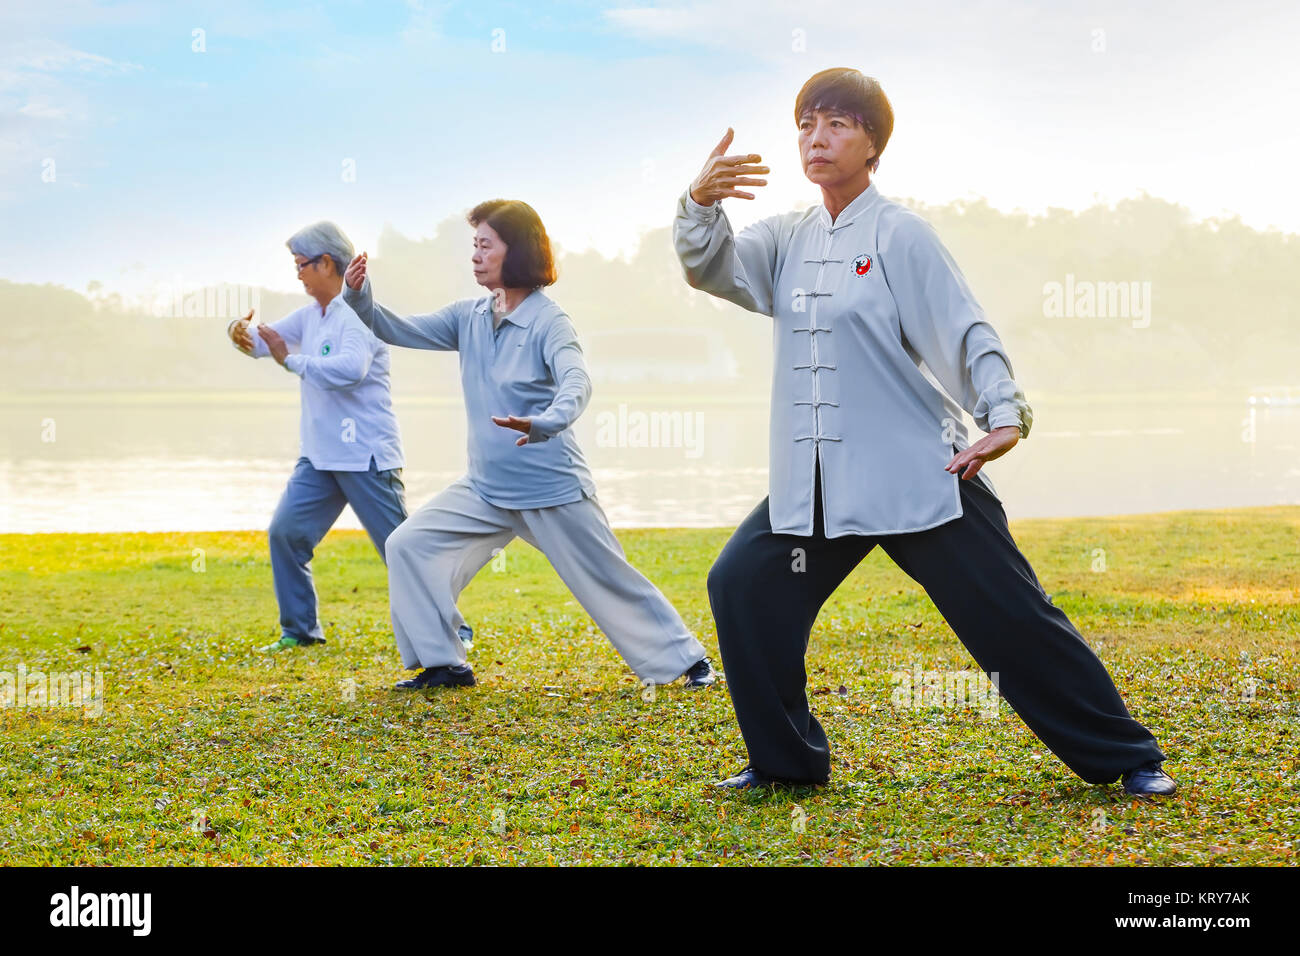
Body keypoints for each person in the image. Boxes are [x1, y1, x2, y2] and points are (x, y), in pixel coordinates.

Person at [672, 68, 1176, 796]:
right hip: (815, 482)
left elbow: (962, 326)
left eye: (838, 123)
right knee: (743, 586)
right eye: (807, 123)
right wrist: (698, 201)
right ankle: (784, 762)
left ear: (873, 143)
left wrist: (1004, 413)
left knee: (1012, 618)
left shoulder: (902, 234)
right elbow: (711, 267)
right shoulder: (785, 237)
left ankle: (1128, 756)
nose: (818, 136)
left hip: (920, 472)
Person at [341, 199, 716, 692]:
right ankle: (445, 665)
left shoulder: (549, 322)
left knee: (606, 575)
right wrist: (359, 293)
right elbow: (397, 329)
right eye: (473, 246)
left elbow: (576, 381)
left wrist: (545, 423)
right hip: (485, 489)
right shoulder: (468, 316)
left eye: (485, 246)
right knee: (408, 544)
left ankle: (688, 663)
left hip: (550, 486)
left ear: (515, 251)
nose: (475, 256)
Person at [227, 221, 473, 652]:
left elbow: (349, 370)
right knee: (286, 534)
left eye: (301, 264)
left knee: (402, 550)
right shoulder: (310, 315)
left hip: (366, 457)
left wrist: (292, 362)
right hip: (320, 459)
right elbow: (266, 344)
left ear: (326, 263)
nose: (297, 273)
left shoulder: (358, 313)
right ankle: (300, 631)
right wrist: (240, 334)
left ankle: (456, 630)